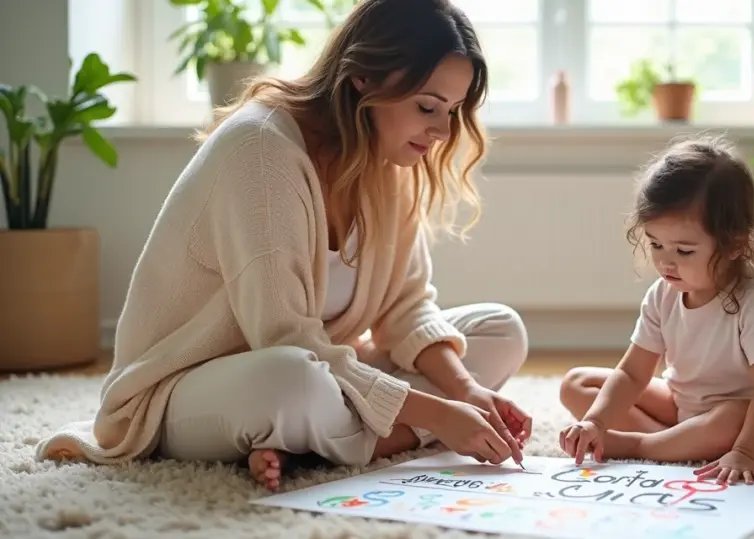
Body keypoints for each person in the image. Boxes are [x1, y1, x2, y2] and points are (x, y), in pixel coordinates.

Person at [35, 0, 533, 491]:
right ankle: (345, 437)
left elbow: (407, 308)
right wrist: (439, 415)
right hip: (188, 388)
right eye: (427, 107)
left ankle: (310, 442)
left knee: (501, 330)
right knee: (290, 381)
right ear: (363, 78)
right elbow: (286, 339)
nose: (442, 131)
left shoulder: (388, 156)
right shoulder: (260, 148)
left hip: (322, 370)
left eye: (453, 110)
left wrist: (465, 391)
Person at [557, 136, 754, 485]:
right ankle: (679, 440)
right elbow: (632, 374)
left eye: (684, 251)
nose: (665, 262)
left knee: (730, 419)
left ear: (734, 244)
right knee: (577, 384)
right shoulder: (663, 294)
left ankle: (641, 445)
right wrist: (596, 421)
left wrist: (745, 452)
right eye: (656, 244)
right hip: (685, 403)